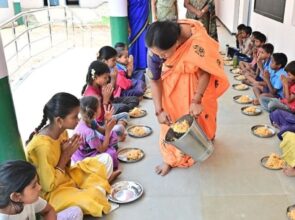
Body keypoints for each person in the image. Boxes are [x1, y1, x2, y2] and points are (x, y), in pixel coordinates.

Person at [146, 20, 229, 176]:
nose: (160, 58)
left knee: (202, 113)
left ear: (177, 43)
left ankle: (205, 138)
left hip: (198, 82)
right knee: (171, 117)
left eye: (164, 54)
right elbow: (155, 79)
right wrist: (158, 111)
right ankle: (171, 158)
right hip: (172, 84)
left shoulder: (196, 38)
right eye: (157, 54)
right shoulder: (155, 51)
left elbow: (206, 70)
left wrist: (196, 100)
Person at [25, 92, 119, 217]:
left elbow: (67, 167)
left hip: (67, 176)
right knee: (91, 197)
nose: (78, 120)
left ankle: (95, 186)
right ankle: (97, 187)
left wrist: (68, 154)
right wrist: (65, 155)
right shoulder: (41, 147)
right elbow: (49, 186)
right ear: (59, 120)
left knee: (106, 159)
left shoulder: (62, 132)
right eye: (75, 117)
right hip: (54, 193)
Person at [0, 160, 83, 220]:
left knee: (75, 211)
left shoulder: (28, 200)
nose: (39, 187)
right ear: (16, 196)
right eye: (34, 186)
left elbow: (49, 210)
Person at [72, 96, 121, 169]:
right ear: (94, 113)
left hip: (92, 147)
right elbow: (102, 149)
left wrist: (107, 120)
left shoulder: (90, 121)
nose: (101, 108)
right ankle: (108, 172)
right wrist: (108, 132)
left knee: (112, 133)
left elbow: (103, 131)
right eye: (99, 107)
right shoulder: (89, 133)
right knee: (111, 154)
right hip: (84, 157)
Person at [81, 60, 132, 130]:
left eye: (108, 77)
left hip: (107, 116)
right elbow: (100, 118)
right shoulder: (92, 95)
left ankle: (118, 128)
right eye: (105, 77)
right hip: (99, 125)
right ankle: (117, 130)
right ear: (95, 77)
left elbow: (112, 100)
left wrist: (108, 94)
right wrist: (105, 101)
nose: (107, 79)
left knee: (125, 115)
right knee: (122, 112)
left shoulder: (99, 85)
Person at [128, 0, 149, 70]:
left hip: (143, 18)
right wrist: (127, 24)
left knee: (143, 39)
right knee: (133, 39)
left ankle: (143, 64)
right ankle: (133, 64)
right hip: (133, 18)